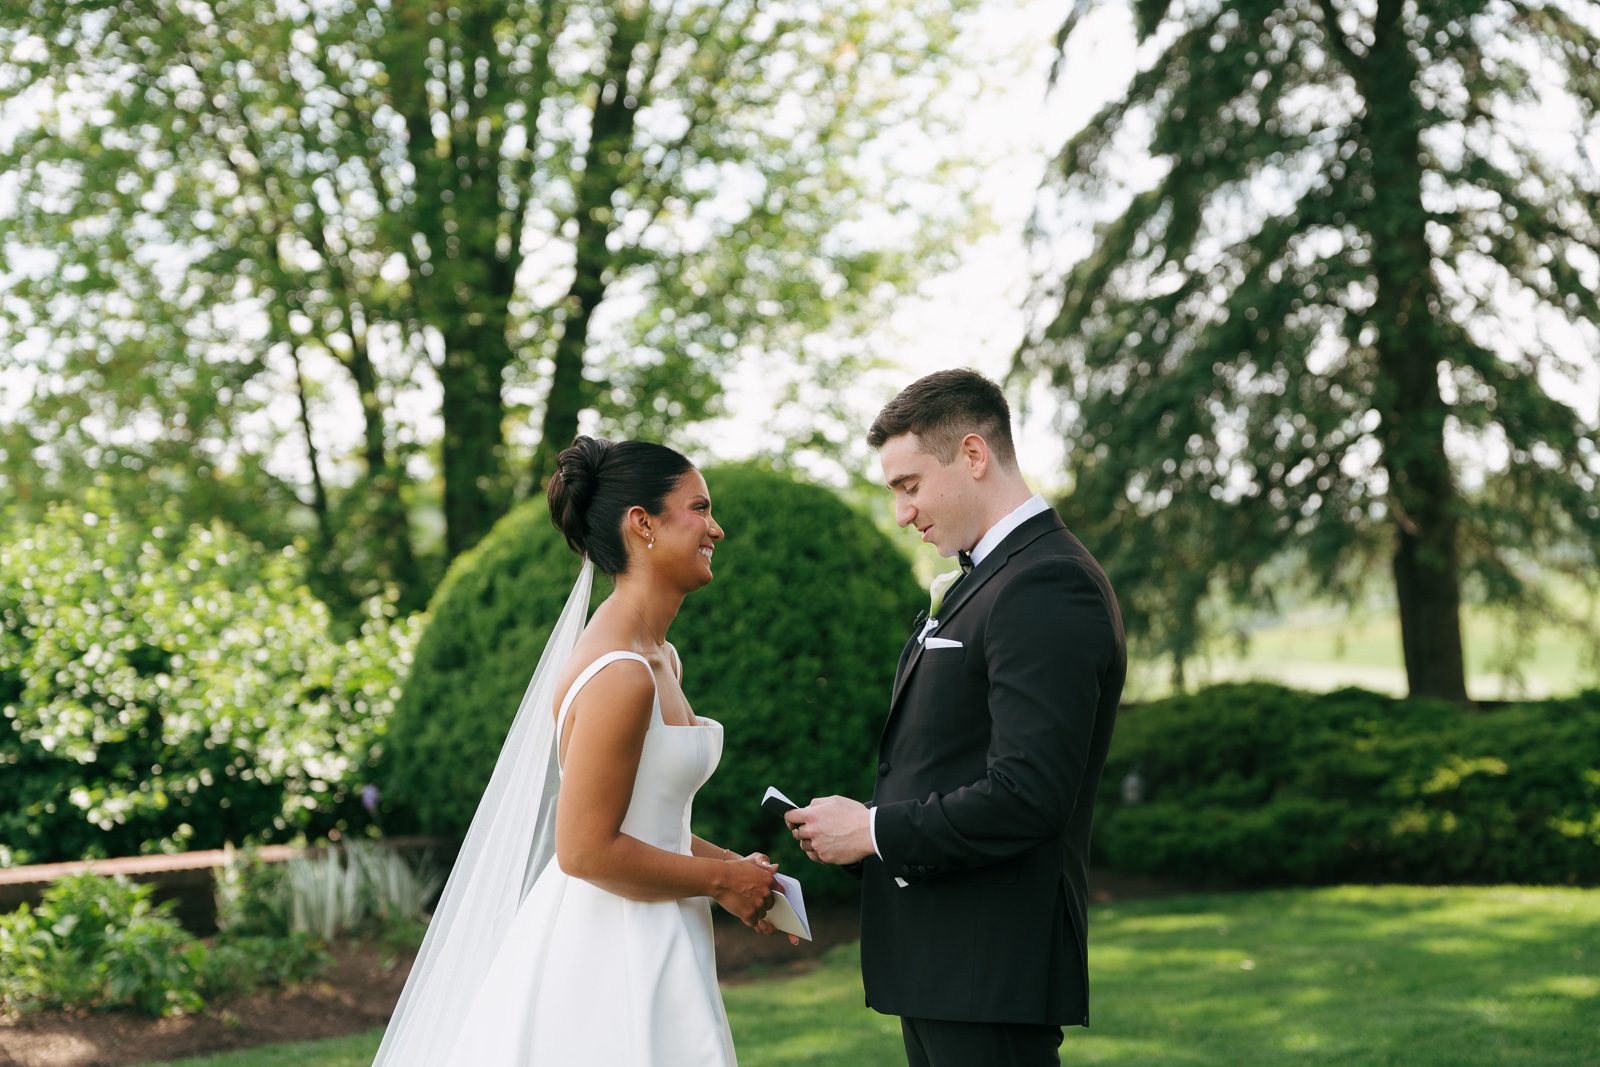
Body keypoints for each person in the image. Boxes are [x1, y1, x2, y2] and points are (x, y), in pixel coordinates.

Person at [374, 436, 790, 1067]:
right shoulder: (622, 672)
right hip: (611, 946)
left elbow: (648, 824)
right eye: (700, 509)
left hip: (660, 926)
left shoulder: (661, 659)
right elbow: (586, 849)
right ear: (642, 524)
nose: (717, 528)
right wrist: (719, 878)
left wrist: (734, 877)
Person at [786, 369, 1126, 1067]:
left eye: (909, 486)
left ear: (973, 455)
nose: (903, 513)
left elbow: (1030, 794)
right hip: (948, 962)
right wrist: (856, 837)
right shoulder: (990, 576)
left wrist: (875, 829)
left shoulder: (1045, 582)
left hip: (992, 960)